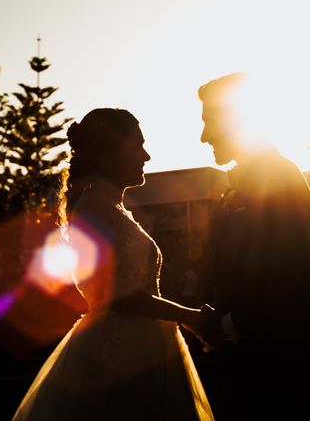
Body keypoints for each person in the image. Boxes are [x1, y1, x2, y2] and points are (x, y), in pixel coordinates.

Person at [12, 108, 215, 420]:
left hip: (144, 349)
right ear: (106, 157)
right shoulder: (93, 210)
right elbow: (116, 294)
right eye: (136, 147)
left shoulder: (112, 209)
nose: (146, 156)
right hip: (116, 360)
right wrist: (190, 317)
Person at [194, 73, 310, 418]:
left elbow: (280, 274)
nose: (204, 137)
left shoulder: (279, 178)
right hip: (255, 368)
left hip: (285, 373)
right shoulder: (243, 183)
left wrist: (225, 326)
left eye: (209, 122)